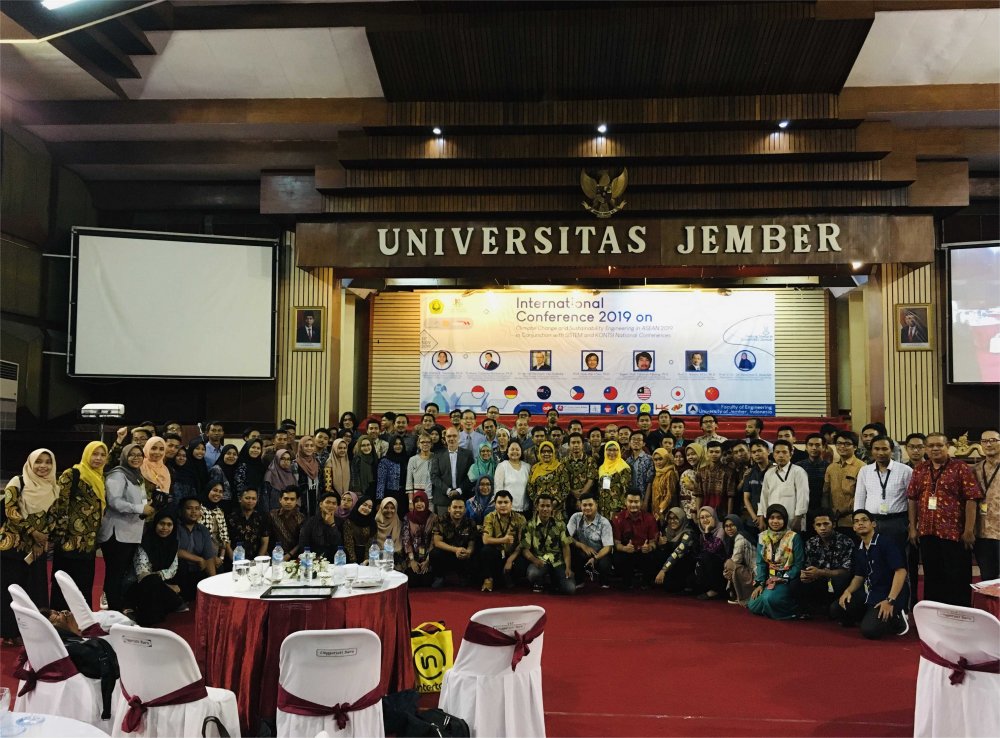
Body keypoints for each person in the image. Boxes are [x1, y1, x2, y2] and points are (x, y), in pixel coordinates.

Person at [907, 432, 981, 607]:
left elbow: (971, 499)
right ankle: (935, 614)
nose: (935, 449)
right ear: (926, 448)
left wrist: (969, 529)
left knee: (957, 576)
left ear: (948, 447)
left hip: (953, 533)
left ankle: (960, 613)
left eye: (939, 445)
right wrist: (913, 527)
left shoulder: (960, 467)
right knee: (932, 576)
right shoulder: (920, 469)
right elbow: (912, 498)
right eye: (931, 445)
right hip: (927, 532)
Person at [1, 448, 60, 643]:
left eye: (48, 462)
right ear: (30, 463)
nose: (43, 466)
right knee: (10, 591)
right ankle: (9, 633)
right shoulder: (17, 482)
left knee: (34, 590)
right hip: (13, 547)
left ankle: (30, 633)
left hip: (37, 549)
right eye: (39, 461)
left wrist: (43, 537)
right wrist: (33, 533)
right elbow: (11, 511)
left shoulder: (53, 486)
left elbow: (54, 515)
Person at [830, 509, 909, 639]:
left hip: (890, 594)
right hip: (870, 592)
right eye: (856, 522)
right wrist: (848, 591)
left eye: (864, 520)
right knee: (836, 609)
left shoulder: (886, 543)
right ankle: (871, 615)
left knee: (870, 631)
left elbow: (901, 571)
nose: (860, 523)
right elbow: (858, 576)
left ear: (873, 524)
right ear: (854, 528)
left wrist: (890, 600)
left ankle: (897, 617)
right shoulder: (859, 549)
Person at [50, 441, 108, 611]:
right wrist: (60, 537)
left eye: (102, 455)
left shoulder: (99, 477)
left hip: (89, 544)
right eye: (94, 454)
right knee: (64, 585)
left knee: (84, 585)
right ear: (86, 454)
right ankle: (60, 622)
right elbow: (60, 505)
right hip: (68, 542)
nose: (98, 458)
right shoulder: (73, 474)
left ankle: (82, 624)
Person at [99, 443, 156, 612]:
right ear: (124, 456)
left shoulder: (136, 475)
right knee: (114, 574)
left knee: (121, 573)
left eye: (139, 454)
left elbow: (137, 500)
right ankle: (114, 612)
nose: (136, 457)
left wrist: (147, 507)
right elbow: (114, 502)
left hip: (130, 532)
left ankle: (118, 608)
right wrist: (139, 508)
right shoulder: (118, 474)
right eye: (132, 454)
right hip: (116, 534)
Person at [124, 510, 183, 626]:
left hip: (157, 584)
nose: (165, 528)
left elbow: (173, 569)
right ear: (155, 524)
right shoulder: (144, 543)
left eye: (169, 525)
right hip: (139, 584)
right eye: (161, 523)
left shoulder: (173, 544)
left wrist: (159, 578)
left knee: (158, 584)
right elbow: (142, 573)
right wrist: (166, 586)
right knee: (152, 582)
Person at [747, 504, 804, 620]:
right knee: (752, 605)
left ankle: (793, 611)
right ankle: (772, 605)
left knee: (768, 598)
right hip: (770, 579)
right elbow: (761, 563)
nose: (775, 521)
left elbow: (799, 564)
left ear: (785, 520)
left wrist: (784, 577)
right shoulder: (762, 537)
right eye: (772, 518)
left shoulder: (794, 537)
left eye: (779, 518)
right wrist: (760, 583)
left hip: (788, 580)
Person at [799, 510, 854, 617]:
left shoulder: (846, 541)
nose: (822, 528)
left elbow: (846, 572)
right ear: (814, 527)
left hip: (839, 583)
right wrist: (805, 574)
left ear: (833, 524)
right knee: (797, 582)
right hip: (819, 581)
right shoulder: (810, 543)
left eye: (826, 524)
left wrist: (821, 572)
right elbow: (809, 566)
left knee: (840, 581)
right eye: (818, 525)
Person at [520, 494, 574, 594]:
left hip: (557, 562)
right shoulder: (528, 525)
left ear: (552, 507)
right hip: (539, 561)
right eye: (542, 506)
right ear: (537, 506)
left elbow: (566, 547)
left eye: (548, 506)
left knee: (570, 590)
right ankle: (541, 580)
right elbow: (525, 549)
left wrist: (568, 567)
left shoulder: (560, 524)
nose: (545, 509)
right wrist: (534, 560)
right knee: (533, 574)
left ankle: (553, 580)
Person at [479, 490, 528, 592]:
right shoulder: (489, 517)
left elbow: (522, 543)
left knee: (521, 563)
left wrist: (510, 560)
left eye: (506, 502)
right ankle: (488, 579)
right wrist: (503, 540)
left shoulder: (520, 518)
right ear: (495, 504)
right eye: (500, 502)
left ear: (511, 504)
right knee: (486, 551)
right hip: (496, 553)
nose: (503, 505)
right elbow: (486, 540)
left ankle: (508, 578)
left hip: (512, 554)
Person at [174, 497, 219, 603]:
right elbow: (175, 551)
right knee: (182, 564)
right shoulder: (174, 527)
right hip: (178, 570)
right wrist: (198, 559)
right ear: (181, 510)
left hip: (197, 570)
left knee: (216, 568)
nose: (194, 512)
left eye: (197, 508)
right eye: (189, 508)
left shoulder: (203, 530)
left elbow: (208, 556)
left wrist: (214, 582)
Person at [758, 440, 809, 532]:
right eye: (777, 452)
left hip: (793, 520)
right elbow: (764, 497)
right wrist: (762, 517)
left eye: (784, 452)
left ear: (791, 453)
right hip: (773, 521)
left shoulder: (798, 472)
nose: (781, 455)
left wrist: (798, 519)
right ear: (773, 454)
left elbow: (803, 497)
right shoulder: (769, 473)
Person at [566, 492, 613, 587]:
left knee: (605, 563)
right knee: (571, 549)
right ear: (580, 506)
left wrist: (595, 558)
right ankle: (579, 581)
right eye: (584, 505)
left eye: (590, 505)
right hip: (583, 552)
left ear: (596, 504)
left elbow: (608, 547)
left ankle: (604, 582)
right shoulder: (576, 517)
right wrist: (581, 545)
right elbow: (566, 537)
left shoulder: (604, 522)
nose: (587, 508)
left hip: (599, 554)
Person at [613, 491, 659, 589]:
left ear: (641, 502)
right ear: (625, 502)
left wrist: (649, 547)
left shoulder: (650, 518)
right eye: (630, 501)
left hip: (643, 552)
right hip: (627, 552)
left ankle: (646, 581)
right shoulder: (618, 518)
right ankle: (627, 581)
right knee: (618, 557)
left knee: (653, 555)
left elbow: (653, 542)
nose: (633, 504)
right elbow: (616, 543)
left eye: (636, 502)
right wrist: (624, 548)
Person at [824, 431, 865, 536]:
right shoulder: (831, 467)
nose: (842, 446)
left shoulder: (862, 467)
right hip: (832, 522)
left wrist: (841, 511)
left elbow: (862, 495)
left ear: (855, 447)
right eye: (839, 443)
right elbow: (826, 492)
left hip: (853, 522)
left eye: (847, 444)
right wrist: (828, 513)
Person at [430, 497, 478, 587]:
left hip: (462, 556)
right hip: (446, 554)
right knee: (435, 553)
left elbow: (472, 542)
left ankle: (464, 576)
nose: (458, 510)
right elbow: (437, 542)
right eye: (455, 507)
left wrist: (468, 552)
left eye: (460, 507)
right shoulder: (440, 520)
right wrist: (456, 549)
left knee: (475, 553)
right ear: (449, 509)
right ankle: (439, 577)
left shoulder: (470, 522)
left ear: (465, 509)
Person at [973, 429, 1000, 581]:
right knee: (987, 577)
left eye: (993, 440)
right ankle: (990, 606)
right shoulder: (974, 470)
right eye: (985, 441)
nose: (989, 444)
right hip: (982, 531)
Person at [430, 427, 475, 517]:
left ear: (459, 437)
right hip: (442, 499)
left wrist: (459, 490)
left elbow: (471, 476)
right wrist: (448, 490)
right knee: (443, 528)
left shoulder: (468, 454)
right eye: (449, 436)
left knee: (462, 527)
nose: (451, 439)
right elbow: (434, 476)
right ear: (445, 438)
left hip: (463, 498)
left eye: (454, 436)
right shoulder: (437, 454)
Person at [653, 507, 697, 593]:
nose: (672, 521)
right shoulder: (667, 530)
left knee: (671, 587)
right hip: (672, 563)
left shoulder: (688, 533)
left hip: (684, 564)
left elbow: (677, 553)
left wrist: (663, 570)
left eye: (676, 518)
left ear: (682, 518)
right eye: (670, 518)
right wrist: (661, 545)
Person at [402, 491, 436, 587]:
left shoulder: (433, 517)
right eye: (416, 501)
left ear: (426, 502)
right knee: (413, 582)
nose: (419, 504)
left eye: (422, 501)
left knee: (426, 582)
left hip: (428, 557)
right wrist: (412, 561)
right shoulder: (408, 517)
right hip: (412, 556)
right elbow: (406, 539)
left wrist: (428, 560)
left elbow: (434, 540)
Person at [297, 492, 343, 561]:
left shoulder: (341, 522)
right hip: (313, 562)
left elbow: (340, 547)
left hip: (335, 562)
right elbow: (303, 545)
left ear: (337, 507)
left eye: (334, 503)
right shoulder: (310, 522)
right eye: (327, 502)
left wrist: (332, 525)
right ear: (321, 504)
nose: (330, 505)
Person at [227, 488, 272, 558]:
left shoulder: (262, 517)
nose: (250, 501)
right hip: (235, 560)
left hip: (256, 560)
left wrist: (257, 562)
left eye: (254, 499)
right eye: (247, 498)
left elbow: (264, 543)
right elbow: (227, 544)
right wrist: (235, 562)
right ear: (240, 499)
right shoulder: (231, 517)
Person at [722, 514, 755, 606]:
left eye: (732, 525)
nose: (729, 528)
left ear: (738, 525)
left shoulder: (740, 538)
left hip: (755, 575)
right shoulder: (732, 538)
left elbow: (735, 561)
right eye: (726, 526)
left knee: (729, 564)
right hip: (748, 572)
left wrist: (726, 572)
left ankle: (741, 596)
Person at [526, 441, 568, 513]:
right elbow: (530, 487)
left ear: (553, 453)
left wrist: (555, 502)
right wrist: (538, 502)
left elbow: (566, 488)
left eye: (549, 451)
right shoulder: (535, 468)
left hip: (557, 509)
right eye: (543, 452)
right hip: (539, 508)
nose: (546, 454)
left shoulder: (560, 467)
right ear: (539, 453)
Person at [696, 440, 735, 517]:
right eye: (711, 452)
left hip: (722, 512)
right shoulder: (701, 471)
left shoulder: (729, 472)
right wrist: (698, 513)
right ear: (707, 453)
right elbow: (698, 494)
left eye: (717, 452)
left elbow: (731, 496)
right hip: (705, 511)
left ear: (721, 453)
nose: (714, 454)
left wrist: (729, 515)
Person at [563, 432, 597, 516]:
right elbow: (563, 481)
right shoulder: (563, 461)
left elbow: (591, 480)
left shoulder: (590, 460)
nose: (576, 445)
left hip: (587, 500)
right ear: (568, 445)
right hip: (570, 499)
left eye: (578, 442)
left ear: (582, 445)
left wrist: (580, 497)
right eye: (573, 443)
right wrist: (573, 492)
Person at [200, 481, 233, 566]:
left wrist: (221, 557)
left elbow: (224, 537)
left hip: (218, 557)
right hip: (201, 557)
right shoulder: (199, 509)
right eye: (215, 490)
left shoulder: (219, 511)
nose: (217, 494)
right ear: (208, 490)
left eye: (220, 492)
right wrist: (213, 558)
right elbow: (199, 538)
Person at [494, 440, 531, 515]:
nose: (515, 452)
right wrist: (500, 505)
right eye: (512, 449)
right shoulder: (502, 466)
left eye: (517, 449)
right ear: (507, 452)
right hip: (507, 509)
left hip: (525, 509)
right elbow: (498, 489)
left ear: (521, 452)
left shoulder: (527, 467)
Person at [597, 440, 632, 519]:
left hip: (617, 508)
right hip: (603, 506)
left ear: (619, 451)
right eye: (609, 450)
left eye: (615, 450)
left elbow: (626, 489)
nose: (612, 452)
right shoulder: (601, 468)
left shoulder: (624, 467)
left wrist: (620, 508)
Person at [377, 436, 410, 516]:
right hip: (390, 494)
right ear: (391, 446)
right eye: (395, 444)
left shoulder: (408, 459)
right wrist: (379, 500)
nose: (398, 446)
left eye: (400, 444)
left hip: (404, 495)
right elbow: (380, 482)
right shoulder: (384, 461)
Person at [797, 433, 829, 513]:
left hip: (823, 507)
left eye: (817, 445)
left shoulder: (829, 467)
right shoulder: (798, 467)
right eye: (810, 445)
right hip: (803, 507)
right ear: (806, 447)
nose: (814, 448)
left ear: (824, 447)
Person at [293, 435, 324, 517]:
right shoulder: (295, 464)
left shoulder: (317, 462)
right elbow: (294, 484)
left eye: (311, 445)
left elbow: (321, 480)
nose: (309, 448)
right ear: (301, 447)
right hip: (302, 498)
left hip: (316, 496)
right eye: (306, 446)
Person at [270, 487, 305, 559]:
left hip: (294, 557)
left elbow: (301, 541)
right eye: (286, 499)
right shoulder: (272, 515)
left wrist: (289, 555)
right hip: (274, 556)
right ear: (280, 500)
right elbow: (265, 536)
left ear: (296, 501)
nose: (289, 502)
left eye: (292, 499)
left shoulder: (301, 518)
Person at [342, 495, 377, 564]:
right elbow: (348, 542)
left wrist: (367, 559)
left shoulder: (372, 523)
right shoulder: (349, 521)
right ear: (358, 504)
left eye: (370, 507)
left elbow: (371, 542)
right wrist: (353, 560)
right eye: (364, 505)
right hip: (350, 556)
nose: (367, 508)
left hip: (367, 557)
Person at [405, 433, 435, 509]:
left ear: (431, 444)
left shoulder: (436, 458)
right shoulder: (413, 460)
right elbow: (409, 482)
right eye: (422, 442)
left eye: (428, 442)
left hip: (432, 498)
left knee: (431, 520)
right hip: (417, 499)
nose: (425, 444)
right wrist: (410, 501)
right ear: (418, 444)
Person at [375, 498, 403, 571]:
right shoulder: (374, 523)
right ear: (381, 508)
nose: (389, 510)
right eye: (386, 507)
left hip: (394, 560)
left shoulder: (399, 524)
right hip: (376, 560)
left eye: (392, 508)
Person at [208, 444, 239, 509]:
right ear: (223, 455)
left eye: (234, 454)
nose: (231, 456)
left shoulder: (237, 469)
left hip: (233, 506)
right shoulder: (217, 469)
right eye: (228, 453)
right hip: (219, 506)